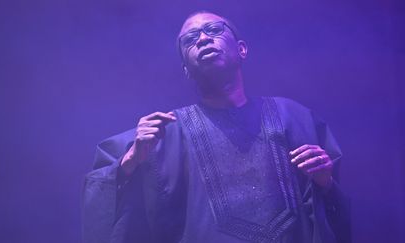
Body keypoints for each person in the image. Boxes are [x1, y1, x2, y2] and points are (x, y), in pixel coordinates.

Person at [82, 11, 351, 243]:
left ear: (242, 49)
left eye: (213, 30)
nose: (202, 39)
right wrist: (131, 160)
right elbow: (103, 195)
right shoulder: (168, 132)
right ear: (186, 69)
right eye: (190, 39)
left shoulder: (292, 116)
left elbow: (334, 209)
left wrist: (325, 182)